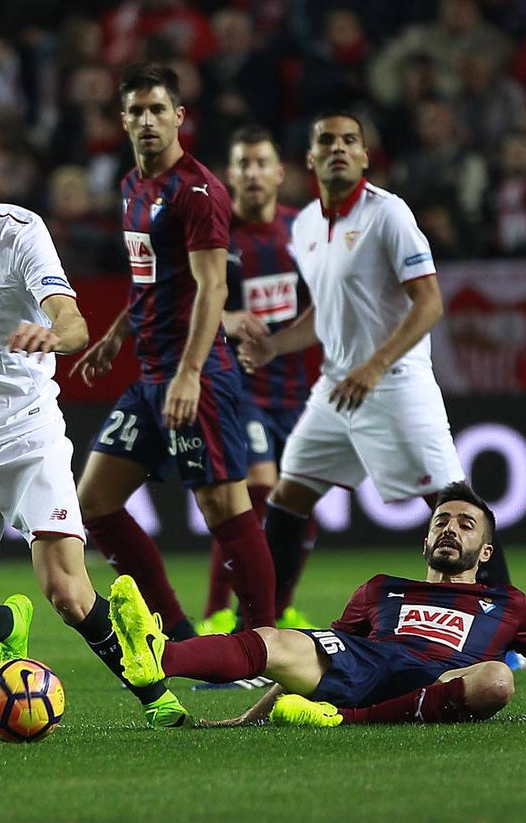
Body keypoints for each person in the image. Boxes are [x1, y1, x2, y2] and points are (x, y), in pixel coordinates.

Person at [0, 102, 188, 732]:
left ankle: (153, 690)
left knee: (69, 592)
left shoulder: (21, 233)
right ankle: (7, 623)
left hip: (22, 430)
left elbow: (71, 319)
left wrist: (52, 336)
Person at [108, 481, 526, 727]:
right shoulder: (381, 589)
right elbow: (304, 666)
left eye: (465, 524)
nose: (450, 529)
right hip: (364, 663)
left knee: (498, 683)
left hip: (438, 678)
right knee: (280, 639)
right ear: (426, 538)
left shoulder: (508, 604)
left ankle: (345, 722)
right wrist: (242, 719)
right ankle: (159, 655)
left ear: (484, 551)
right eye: (442, 520)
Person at [237, 109, 510, 625]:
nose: (338, 148)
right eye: (326, 140)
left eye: (349, 141)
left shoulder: (389, 214)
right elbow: (326, 308)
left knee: (455, 504)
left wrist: (375, 365)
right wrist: (276, 346)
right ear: (310, 157)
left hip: (396, 382)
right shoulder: (307, 226)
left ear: (363, 155)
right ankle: (262, 630)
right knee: (289, 494)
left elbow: (429, 302)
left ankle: (506, 633)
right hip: (338, 387)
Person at [69, 64, 276, 650]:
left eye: (158, 109)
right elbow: (150, 283)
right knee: (96, 503)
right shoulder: (131, 186)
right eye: (135, 111)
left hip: (197, 374)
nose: (147, 121)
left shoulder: (200, 191)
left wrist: (189, 373)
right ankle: (177, 635)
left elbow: (213, 288)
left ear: (179, 116)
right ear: (123, 119)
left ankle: (264, 645)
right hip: (151, 375)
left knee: (224, 507)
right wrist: (115, 334)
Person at [198, 125, 314, 636]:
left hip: (299, 391)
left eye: (260, 162)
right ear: (230, 175)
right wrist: (228, 320)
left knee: (299, 504)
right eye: (242, 163)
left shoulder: (304, 231)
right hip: (241, 391)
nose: (251, 173)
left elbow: (324, 304)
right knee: (257, 490)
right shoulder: (217, 236)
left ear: (279, 173)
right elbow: (192, 304)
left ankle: (281, 607)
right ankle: (219, 611)